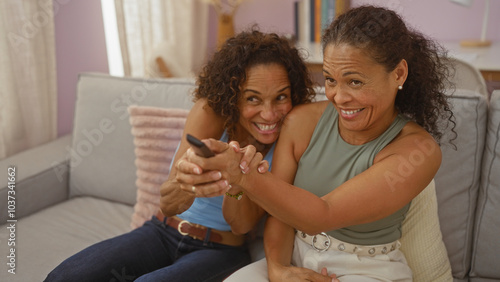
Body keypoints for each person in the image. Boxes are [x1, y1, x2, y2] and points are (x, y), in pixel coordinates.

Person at [178, 6, 456, 281]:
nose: (339, 97)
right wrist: (277, 268)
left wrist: (243, 175)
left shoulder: (418, 151)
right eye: (331, 80)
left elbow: (324, 214)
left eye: (355, 82)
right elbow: (281, 213)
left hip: (368, 269)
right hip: (295, 256)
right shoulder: (302, 121)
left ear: (398, 74)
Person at [44, 29, 315, 282]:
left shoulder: (289, 139)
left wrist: (238, 178)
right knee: (65, 276)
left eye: (280, 97)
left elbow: (241, 225)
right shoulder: (210, 113)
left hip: (220, 251)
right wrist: (188, 181)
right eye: (253, 99)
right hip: (160, 232)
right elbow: (169, 204)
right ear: (233, 97)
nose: (269, 114)